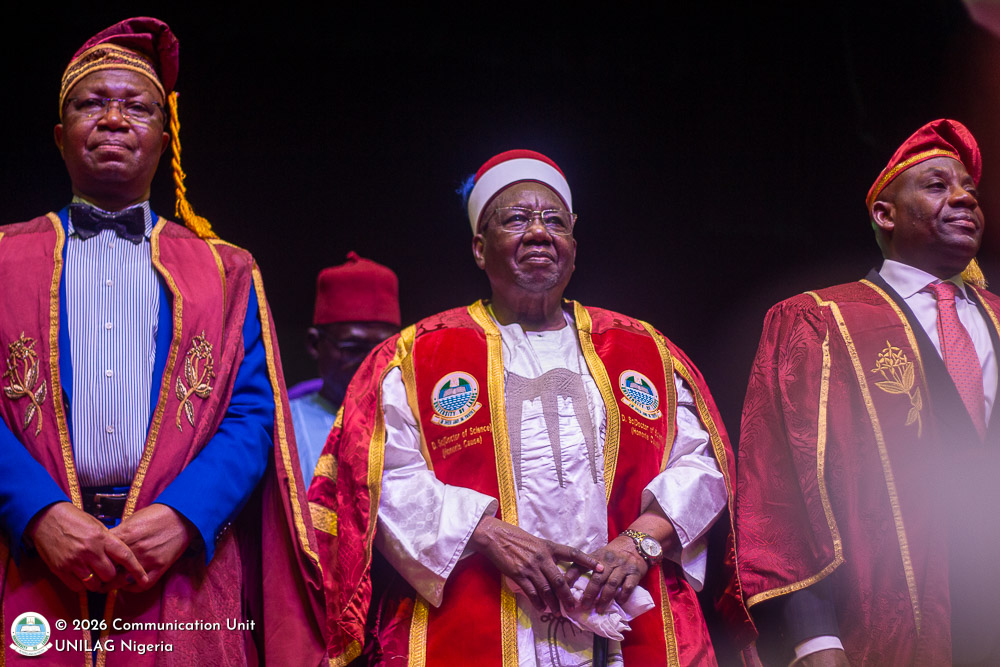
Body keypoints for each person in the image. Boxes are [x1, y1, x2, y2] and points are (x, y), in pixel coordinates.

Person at [309, 150, 752, 665]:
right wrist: (484, 531)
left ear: (573, 249)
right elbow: (375, 478)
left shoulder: (644, 350)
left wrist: (640, 542)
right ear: (480, 248)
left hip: (630, 620)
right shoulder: (417, 357)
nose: (539, 233)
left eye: (555, 221)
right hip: (474, 617)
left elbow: (702, 462)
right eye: (517, 219)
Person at [0, 17, 324, 664]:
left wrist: (183, 516)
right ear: (60, 135)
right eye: (91, 103)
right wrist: (37, 512)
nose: (114, 119)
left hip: (178, 564)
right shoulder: (5, 258)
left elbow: (253, 414)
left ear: (166, 135)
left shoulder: (226, 270)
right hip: (28, 553)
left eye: (138, 106)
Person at [736, 119, 1000, 666]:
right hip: (884, 627)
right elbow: (778, 485)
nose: (964, 199)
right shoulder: (819, 320)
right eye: (937, 185)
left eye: (970, 190)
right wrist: (813, 635)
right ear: (885, 214)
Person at [289, 252, 400, 486]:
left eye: (385, 350)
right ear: (314, 344)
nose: (371, 363)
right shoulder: (283, 425)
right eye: (353, 349)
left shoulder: (413, 418)